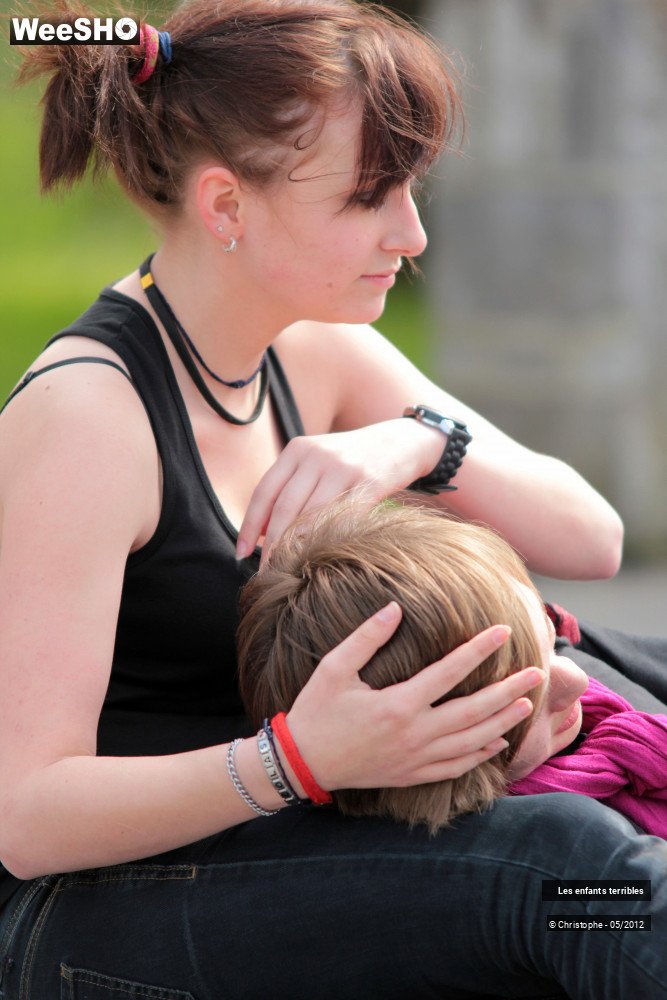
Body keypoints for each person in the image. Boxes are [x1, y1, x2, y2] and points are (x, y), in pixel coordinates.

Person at [1, 1, 666, 997]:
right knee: (571, 870)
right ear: (225, 207)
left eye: (410, 187)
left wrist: (419, 442)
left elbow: (590, 536)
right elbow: (25, 815)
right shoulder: (86, 421)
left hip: (292, 831)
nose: (411, 232)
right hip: (94, 905)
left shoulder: (308, 344)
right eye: (369, 195)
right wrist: (295, 760)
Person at [238, 500, 667, 838]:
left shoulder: (614, 725)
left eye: (549, 640)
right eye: (525, 698)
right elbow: (626, 919)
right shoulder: (563, 874)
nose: (576, 678)